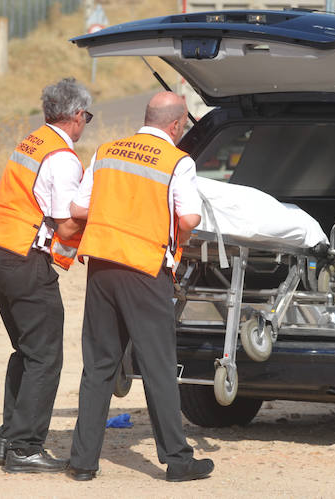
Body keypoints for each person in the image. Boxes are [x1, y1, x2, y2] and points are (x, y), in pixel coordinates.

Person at [65, 91, 213, 482]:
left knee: (98, 365)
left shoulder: (108, 150)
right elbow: (189, 219)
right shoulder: (177, 161)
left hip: (101, 266)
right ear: (177, 125)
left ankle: (82, 462)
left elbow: (78, 209)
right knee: (158, 366)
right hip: (145, 271)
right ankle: (178, 461)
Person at [0, 77, 91, 473]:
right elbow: (66, 223)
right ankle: (25, 448)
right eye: (87, 117)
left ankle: (9, 440)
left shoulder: (31, 142)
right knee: (45, 356)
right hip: (25, 260)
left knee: (27, 352)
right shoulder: (62, 157)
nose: (85, 123)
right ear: (77, 115)